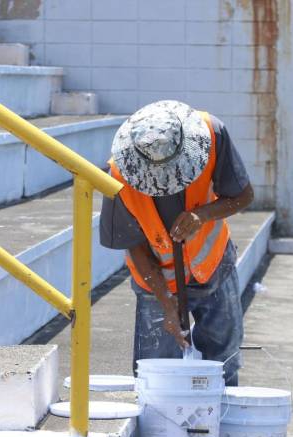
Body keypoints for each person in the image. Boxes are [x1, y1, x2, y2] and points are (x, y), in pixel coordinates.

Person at [99, 100, 254, 386]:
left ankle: (219, 414)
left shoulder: (211, 133)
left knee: (224, 363)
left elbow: (243, 196)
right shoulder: (120, 176)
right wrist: (167, 304)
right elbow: (134, 245)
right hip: (156, 281)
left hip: (214, 265)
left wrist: (202, 215)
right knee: (155, 375)